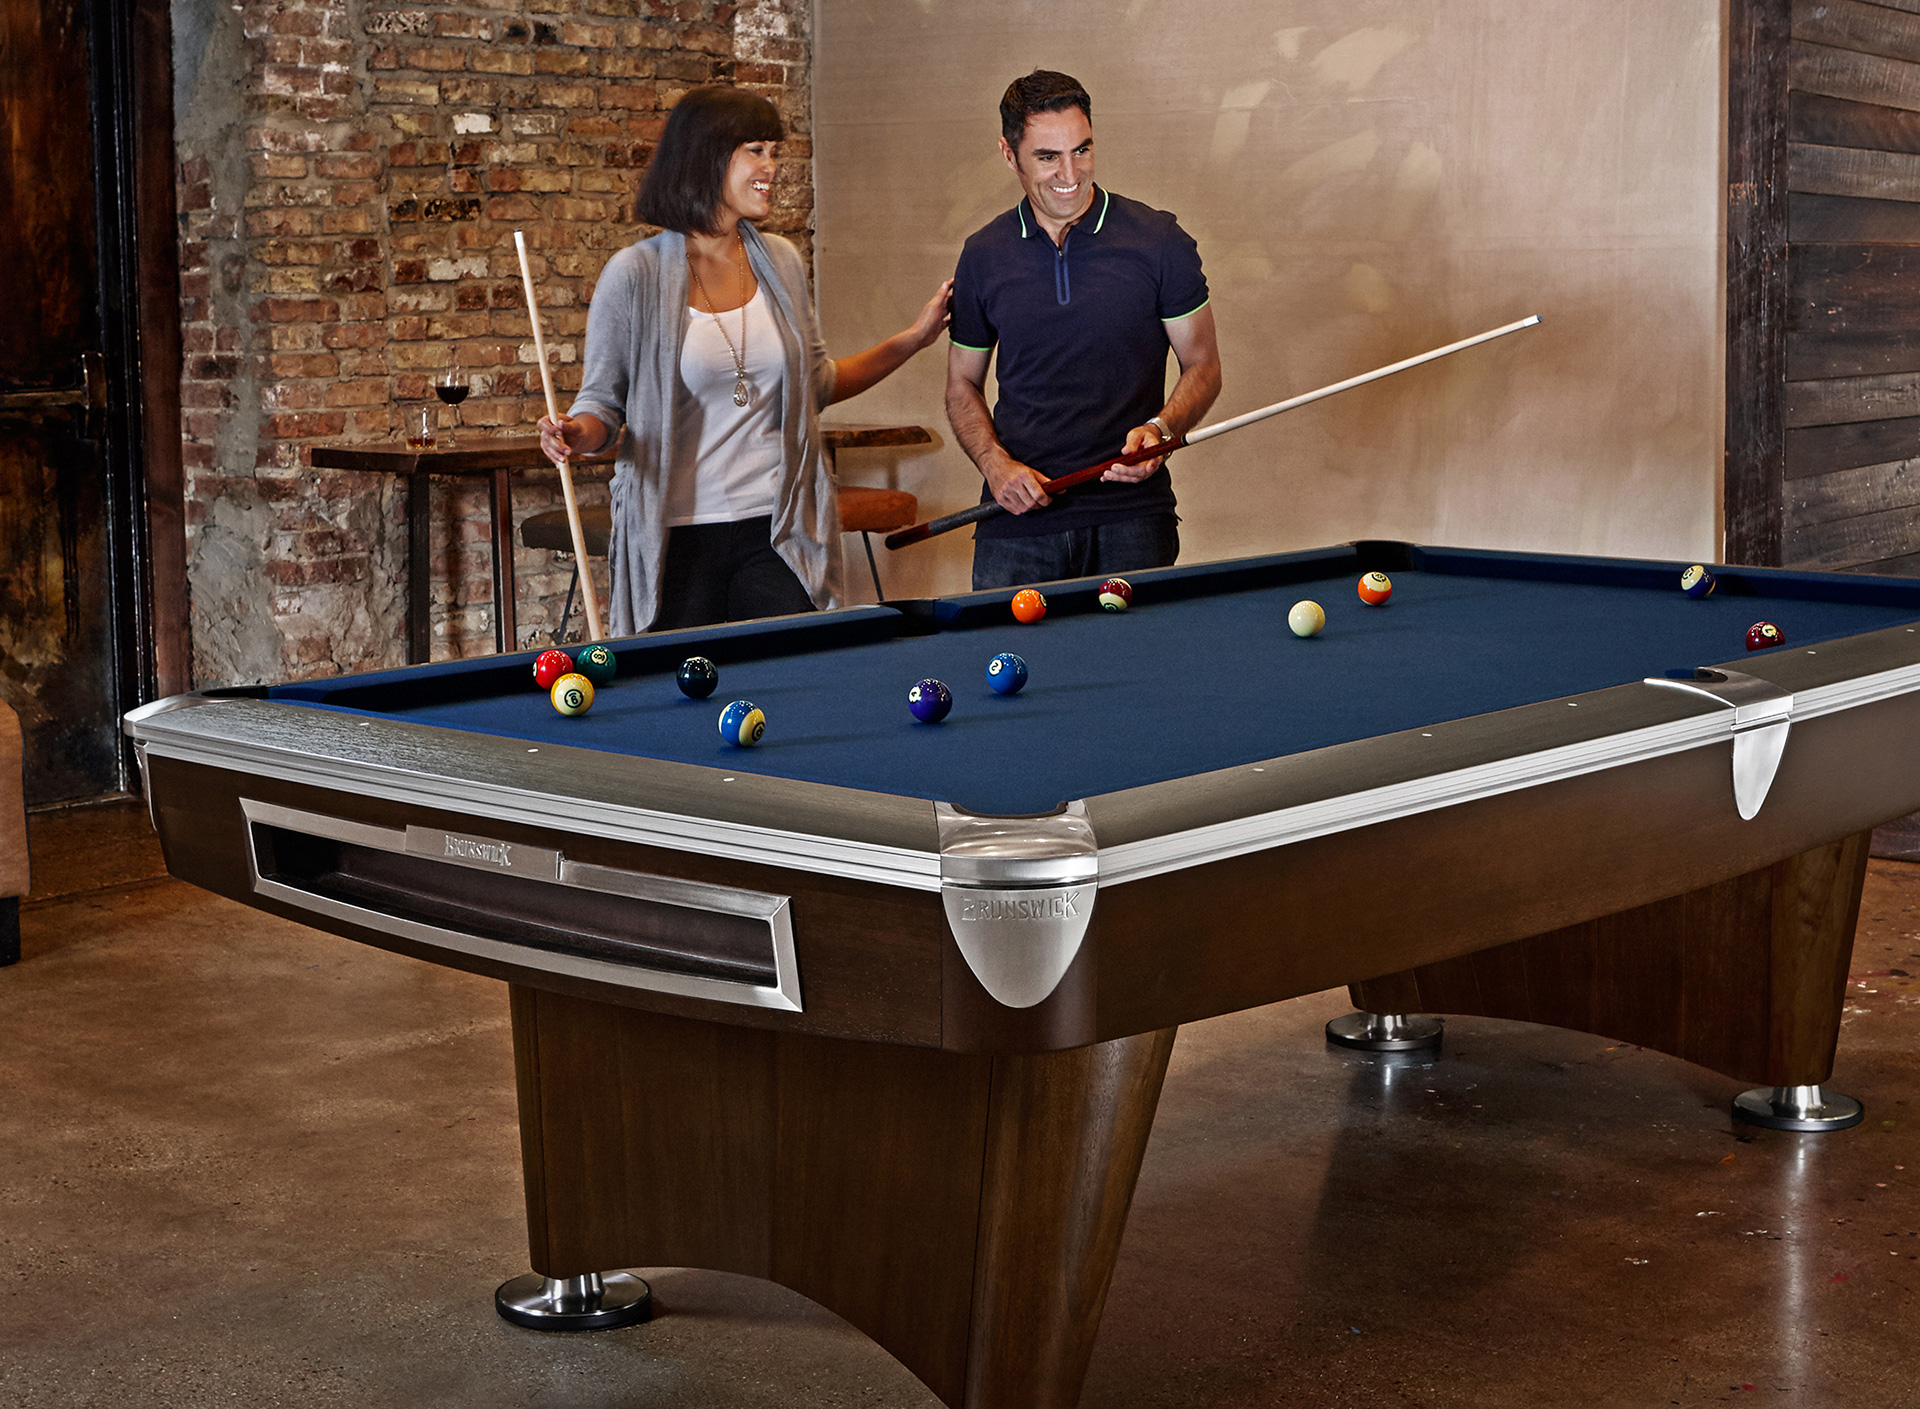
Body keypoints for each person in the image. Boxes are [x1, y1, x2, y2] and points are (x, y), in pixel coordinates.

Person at [539, 86, 951, 634]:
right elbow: (601, 407)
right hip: (679, 537)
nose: (772, 166)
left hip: (777, 529)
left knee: (795, 681)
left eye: (774, 152)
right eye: (756, 150)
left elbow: (817, 384)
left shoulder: (779, 261)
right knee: (684, 699)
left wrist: (913, 339)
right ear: (708, 156)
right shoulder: (633, 274)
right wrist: (574, 434)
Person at [947, 70, 1222, 590]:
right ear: (1010, 154)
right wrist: (994, 465)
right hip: (1016, 526)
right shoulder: (982, 255)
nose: (1070, 172)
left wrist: (1164, 432)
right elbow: (962, 382)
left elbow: (1203, 365)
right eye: (1048, 156)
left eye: (1082, 149)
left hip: (1134, 521)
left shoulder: (1159, 241)